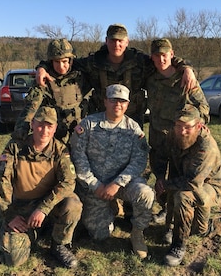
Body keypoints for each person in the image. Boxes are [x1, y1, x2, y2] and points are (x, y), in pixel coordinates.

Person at [153, 104, 221, 267]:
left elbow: (192, 182)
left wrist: (166, 185)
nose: (182, 131)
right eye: (178, 126)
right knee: (192, 218)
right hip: (187, 182)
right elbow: (159, 156)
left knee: (185, 200)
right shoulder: (173, 135)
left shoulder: (206, 147)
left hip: (212, 186)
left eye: (187, 127)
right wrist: (160, 178)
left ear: (198, 125)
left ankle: (178, 246)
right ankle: (175, 229)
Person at [36, 24, 197, 129]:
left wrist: (186, 67)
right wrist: (42, 67)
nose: (116, 45)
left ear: (127, 42)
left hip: (132, 119)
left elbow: (162, 59)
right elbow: (66, 62)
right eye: (113, 41)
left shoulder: (139, 61)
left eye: (120, 41)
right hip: (101, 118)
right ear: (106, 41)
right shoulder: (94, 62)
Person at [70, 84, 155, 259]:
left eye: (122, 101)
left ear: (128, 104)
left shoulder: (134, 130)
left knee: (146, 193)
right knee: (100, 235)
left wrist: (117, 183)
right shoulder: (88, 125)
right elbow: (78, 158)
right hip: (96, 187)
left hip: (122, 185)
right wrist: (95, 185)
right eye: (113, 100)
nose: (118, 104)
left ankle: (137, 233)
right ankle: (113, 207)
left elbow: (139, 161)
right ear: (105, 101)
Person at [0, 106, 83, 268]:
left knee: (73, 204)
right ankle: (35, 231)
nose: (44, 131)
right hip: (21, 207)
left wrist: (43, 208)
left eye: (49, 126)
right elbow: (3, 182)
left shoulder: (60, 149)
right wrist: (9, 215)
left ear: (55, 128)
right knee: (14, 259)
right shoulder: (15, 147)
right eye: (40, 125)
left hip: (49, 205)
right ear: (32, 125)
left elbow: (68, 182)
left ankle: (58, 244)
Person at [146, 38, 210, 227]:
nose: (161, 59)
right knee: (159, 177)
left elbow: (203, 107)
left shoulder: (185, 78)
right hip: (158, 138)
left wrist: (198, 124)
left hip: (179, 140)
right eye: (157, 56)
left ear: (171, 55)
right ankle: (165, 209)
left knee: (177, 178)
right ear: (152, 57)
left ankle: (173, 222)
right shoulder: (151, 78)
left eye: (164, 55)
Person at [12, 38, 92, 145]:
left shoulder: (81, 75)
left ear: (70, 61)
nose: (61, 66)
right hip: (54, 137)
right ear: (51, 62)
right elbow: (31, 107)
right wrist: (21, 131)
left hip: (79, 134)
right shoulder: (44, 80)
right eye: (56, 62)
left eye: (64, 61)